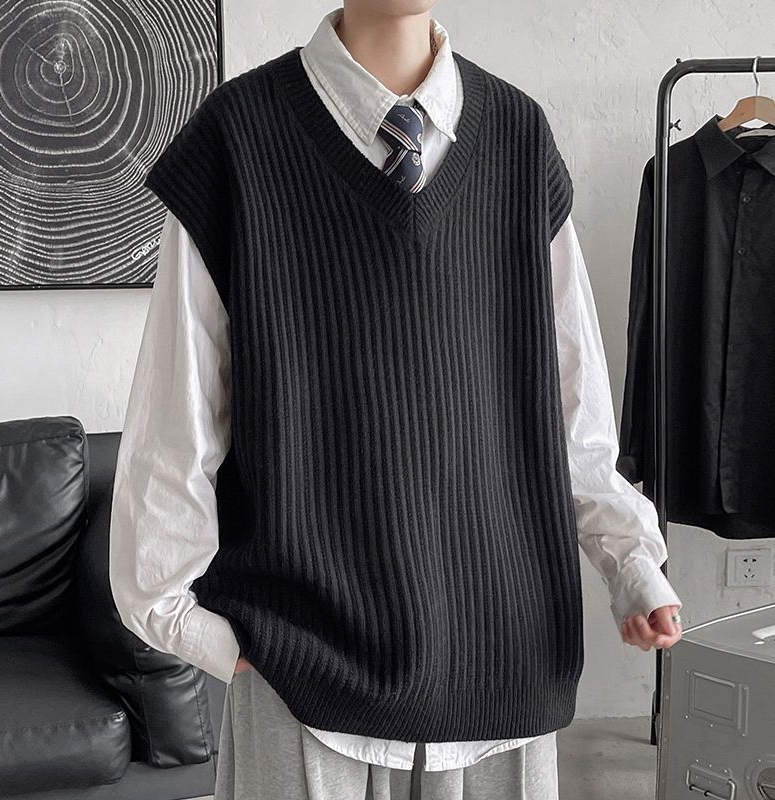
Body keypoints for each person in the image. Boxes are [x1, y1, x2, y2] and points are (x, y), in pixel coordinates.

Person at [109, 3, 684, 798]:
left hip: (502, 663)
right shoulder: (237, 139)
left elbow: (571, 402)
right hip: (304, 674)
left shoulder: (517, 139)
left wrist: (631, 562)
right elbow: (178, 420)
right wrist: (179, 617)